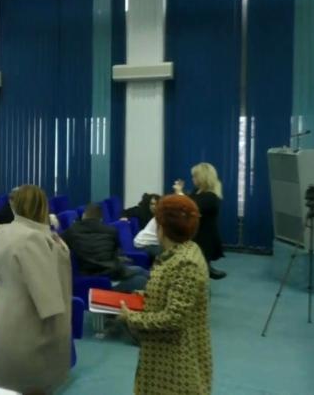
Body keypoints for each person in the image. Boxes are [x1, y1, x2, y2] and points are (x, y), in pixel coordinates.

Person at [0, 185, 71, 394]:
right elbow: (48, 298)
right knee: (29, 383)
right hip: (29, 320)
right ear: (42, 206)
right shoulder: (35, 239)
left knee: (4, 381)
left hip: (3, 311)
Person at [119, 194, 212, 395]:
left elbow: (173, 319)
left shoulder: (185, 263)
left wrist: (131, 317)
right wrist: (147, 295)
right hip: (162, 356)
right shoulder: (180, 253)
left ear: (162, 227)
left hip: (176, 364)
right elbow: (173, 293)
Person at [62, 204, 149, 293]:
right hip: (107, 278)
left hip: (94, 273)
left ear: (83, 215)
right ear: (101, 219)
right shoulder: (110, 231)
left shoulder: (71, 231)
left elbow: (59, 242)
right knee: (142, 279)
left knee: (140, 271)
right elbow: (116, 253)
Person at [174, 162, 226, 280]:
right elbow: (189, 200)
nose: (192, 179)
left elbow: (191, 207)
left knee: (199, 266)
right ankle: (207, 270)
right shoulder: (197, 191)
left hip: (205, 237)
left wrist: (179, 193)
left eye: (195, 176)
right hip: (196, 234)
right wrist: (181, 193)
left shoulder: (211, 196)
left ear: (202, 178)